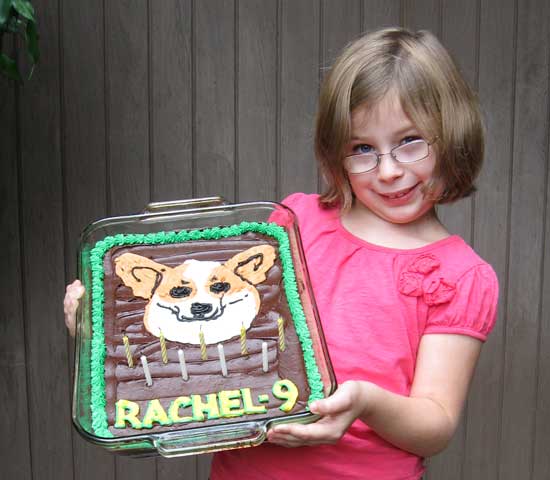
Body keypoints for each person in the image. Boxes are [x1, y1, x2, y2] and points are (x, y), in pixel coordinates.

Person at [64, 27, 498, 480]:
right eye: (362, 148)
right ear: (336, 153)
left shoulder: (461, 276)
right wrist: (105, 332)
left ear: (453, 135)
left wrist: (366, 402)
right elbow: (207, 337)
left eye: (410, 141)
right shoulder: (295, 224)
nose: (388, 170)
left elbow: (435, 424)